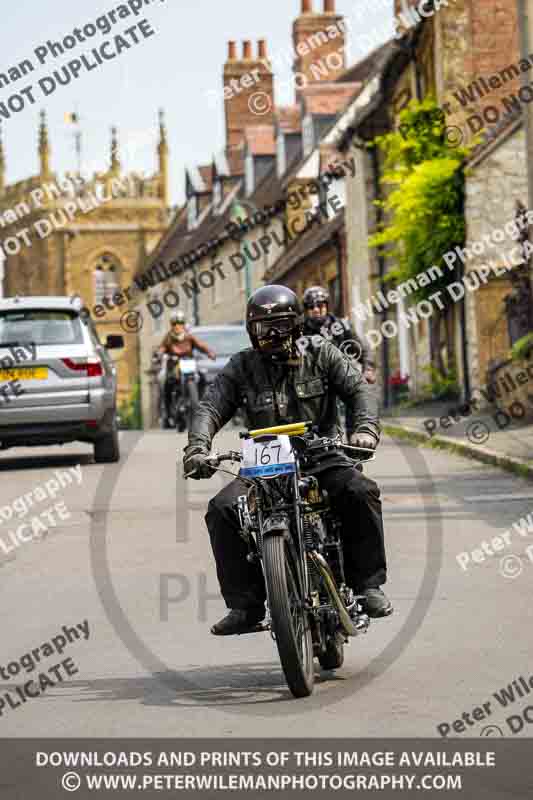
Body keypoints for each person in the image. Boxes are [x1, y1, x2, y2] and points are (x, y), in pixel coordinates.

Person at [183, 285, 392, 636]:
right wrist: (197, 449)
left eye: (279, 325)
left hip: (320, 454)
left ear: (295, 324)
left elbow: (359, 390)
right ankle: (245, 606)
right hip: (263, 463)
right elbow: (210, 407)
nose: (271, 335)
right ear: (251, 331)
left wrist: (365, 431)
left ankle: (367, 585)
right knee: (222, 509)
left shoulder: (321, 353)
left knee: (359, 490)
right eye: (262, 329)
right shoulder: (242, 366)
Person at [302, 286, 376, 441]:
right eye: (311, 306)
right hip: (316, 384)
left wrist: (368, 368)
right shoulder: (301, 330)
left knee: (355, 402)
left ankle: (356, 446)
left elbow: (362, 348)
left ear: (327, 306)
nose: (316, 310)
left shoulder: (341, 326)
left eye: (320, 305)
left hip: (342, 376)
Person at [157, 311, 215, 425]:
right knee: (166, 384)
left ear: (184, 324)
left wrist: (209, 352)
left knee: (202, 377)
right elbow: (162, 348)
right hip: (173, 367)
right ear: (171, 325)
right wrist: (159, 354)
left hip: (189, 364)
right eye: (175, 324)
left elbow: (200, 345)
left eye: (180, 323)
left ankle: (202, 404)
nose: (177, 326)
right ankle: (167, 413)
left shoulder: (189, 336)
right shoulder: (168, 337)